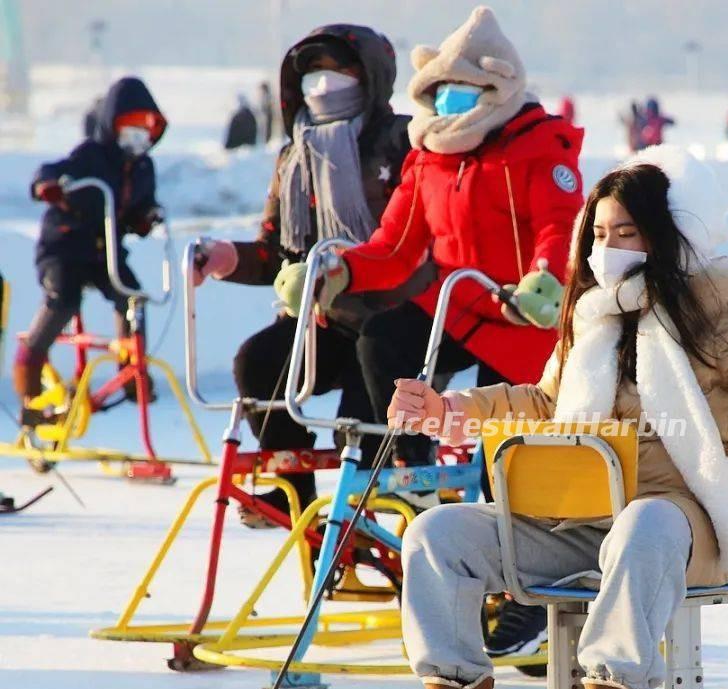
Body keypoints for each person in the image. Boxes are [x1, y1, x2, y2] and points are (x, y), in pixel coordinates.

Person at [367, 146, 728, 689]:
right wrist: (454, 407)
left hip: (681, 526)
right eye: (599, 232)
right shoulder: (592, 323)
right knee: (437, 536)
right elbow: (541, 402)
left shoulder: (717, 320)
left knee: (643, 522)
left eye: (627, 232)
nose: (608, 246)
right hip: (580, 519)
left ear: (666, 238)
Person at [306, 5, 585, 660]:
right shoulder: (428, 157)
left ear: (498, 89)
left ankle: (523, 590)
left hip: (522, 315)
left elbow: (559, 224)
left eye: (463, 93)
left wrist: (547, 280)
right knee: (384, 338)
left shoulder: (540, 148)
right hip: (460, 304)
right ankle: (414, 461)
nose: (450, 106)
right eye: (440, 93)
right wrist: (342, 267)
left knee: (504, 443)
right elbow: (397, 248)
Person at [192, 24, 433, 525]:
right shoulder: (293, 156)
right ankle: (292, 492)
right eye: (312, 74)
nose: (322, 85)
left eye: (337, 72)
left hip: (394, 322)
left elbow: (425, 238)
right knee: (258, 363)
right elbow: (279, 254)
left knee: (359, 427)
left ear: (369, 77)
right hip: (325, 319)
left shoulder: (402, 143)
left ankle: (383, 513)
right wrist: (229, 259)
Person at [14, 77, 167, 426]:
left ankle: (131, 372)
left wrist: (146, 218)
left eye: (144, 129)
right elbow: (52, 171)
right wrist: (47, 187)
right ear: (112, 126)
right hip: (65, 246)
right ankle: (29, 383)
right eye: (129, 128)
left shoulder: (144, 167)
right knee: (63, 299)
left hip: (105, 251)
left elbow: (142, 206)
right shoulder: (90, 156)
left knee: (132, 298)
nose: (137, 137)